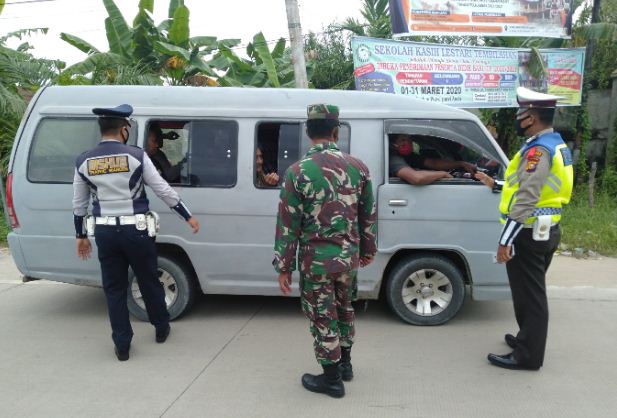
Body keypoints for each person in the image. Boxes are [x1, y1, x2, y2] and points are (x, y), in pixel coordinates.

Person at [72, 104, 200, 362]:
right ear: (124, 130)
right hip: (137, 231)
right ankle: (161, 328)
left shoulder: (84, 161)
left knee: (114, 288)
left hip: (106, 234)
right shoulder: (137, 156)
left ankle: (122, 345)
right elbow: (163, 190)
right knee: (148, 280)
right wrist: (187, 215)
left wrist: (81, 236)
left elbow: (78, 204)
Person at [274, 104, 377, 398]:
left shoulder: (297, 172)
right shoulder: (359, 168)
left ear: (308, 133)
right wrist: (368, 249)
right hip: (348, 259)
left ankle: (331, 380)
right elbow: (368, 215)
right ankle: (345, 365)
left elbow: (287, 225)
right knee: (345, 309)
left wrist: (284, 267)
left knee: (323, 316)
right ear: (336, 131)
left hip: (316, 263)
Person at [475, 87, 573, 370]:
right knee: (528, 294)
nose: (518, 118)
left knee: (531, 298)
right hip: (545, 229)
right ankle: (525, 339)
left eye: (520, 113)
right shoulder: (555, 144)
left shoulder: (537, 151)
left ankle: (528, 356)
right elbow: (537, 189)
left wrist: (505, 241)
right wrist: (496, 185)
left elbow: (527, 199)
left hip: (528, 233)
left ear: (530, 116)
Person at [389, 134, 477, 185]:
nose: (408, 142)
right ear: (393, 144)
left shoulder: (410, 156)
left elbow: (433, 163)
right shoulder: (394, 158)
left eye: (409, 139)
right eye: (403, 140)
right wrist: (442, 174)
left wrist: (461, 163)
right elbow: (416, 178)